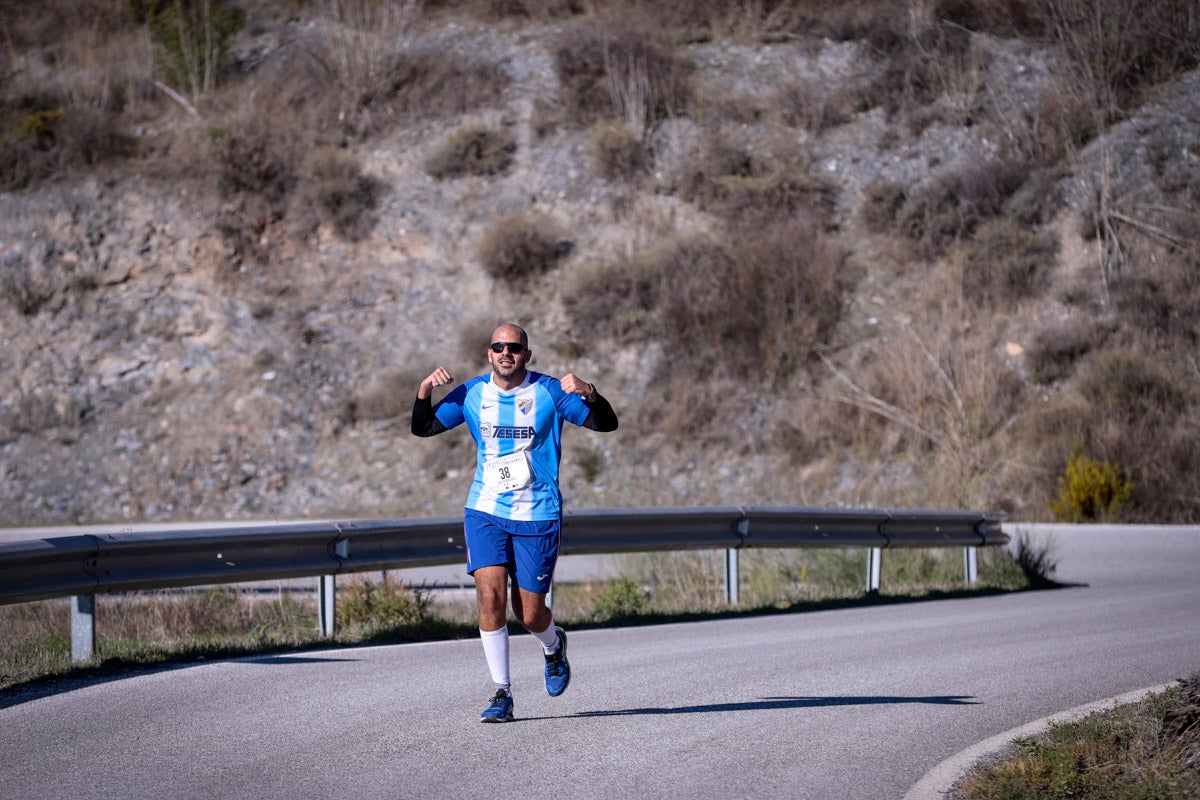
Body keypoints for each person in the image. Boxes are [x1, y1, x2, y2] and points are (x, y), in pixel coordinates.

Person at [411, 322, 619, 722]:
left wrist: (590, 392)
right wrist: (424, 392)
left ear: (527, 354)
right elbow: (423, 427)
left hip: (537, 514)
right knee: (490, 597)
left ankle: (553, 645)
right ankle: (501, 693)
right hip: (485, 509)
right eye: (498, 347)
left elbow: (606, 423)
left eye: (514, 348)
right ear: (489, 354)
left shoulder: (550, 392)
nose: (506, 353)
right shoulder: (473, 393)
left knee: (530, 615)